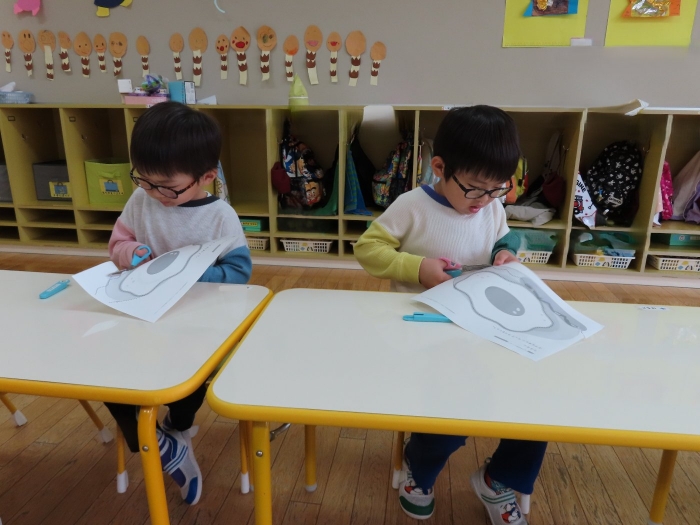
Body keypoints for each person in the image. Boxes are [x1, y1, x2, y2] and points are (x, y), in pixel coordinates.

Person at [353, 105, 546, 524]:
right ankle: (419, 473)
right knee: (450, 414)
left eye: (497, 189)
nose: (485, 201)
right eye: (475, 189)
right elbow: (367, 249)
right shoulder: (412, 205)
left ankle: (499, 479)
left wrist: (505, 253)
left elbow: (504, 237)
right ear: (440, 168)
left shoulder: (490, 206)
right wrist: (416, 267)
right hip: (425, 333)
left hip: (482, 326)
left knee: (535, 407)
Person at [107, 101, 252, 505]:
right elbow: (118, 243)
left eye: (167, 187)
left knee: (194, 379)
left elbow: (238, 272)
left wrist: (188, 274)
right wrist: (131, 253)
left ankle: (177, 426)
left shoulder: (220, 217)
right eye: (144, 180)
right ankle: (162, 444)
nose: (154, 194)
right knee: (106, 376)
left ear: (206, 177)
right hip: (144, 316)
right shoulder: (141, 201)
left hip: (198, 323)